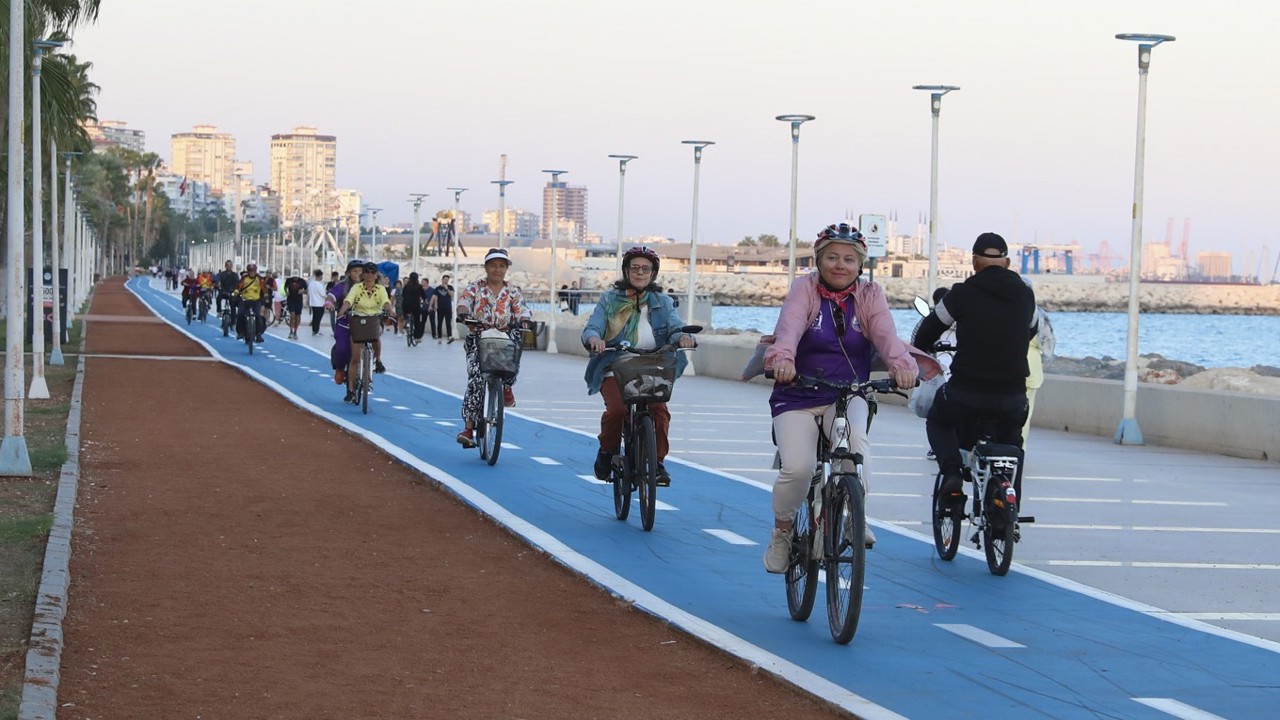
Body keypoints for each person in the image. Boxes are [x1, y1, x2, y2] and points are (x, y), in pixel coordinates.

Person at [760, 223, 925, 572]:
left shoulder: (869, 295)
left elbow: (886, 336)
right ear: (818, 261)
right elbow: (788, 331)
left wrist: (903, 367)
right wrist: (783, 361)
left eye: (849, 259)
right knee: (799, 468)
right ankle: (783, 533)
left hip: (849, 392)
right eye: (832, 257)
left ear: (860, 265)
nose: (840, 265)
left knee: (856, 451)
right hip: (798, 393)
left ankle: (854, 516)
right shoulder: (804, 290)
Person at [912, 232, 1037, 510]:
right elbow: (1031, 329)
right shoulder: (1025, 294)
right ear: (1007, 263)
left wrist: (920, 352)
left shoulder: (962, 294)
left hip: (966, 392)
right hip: (1012, 395)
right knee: (1013, 445)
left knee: (939, 420)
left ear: (974, 262)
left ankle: (953, 473)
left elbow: (930, 327)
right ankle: (1009, 506)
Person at [582, 246, 695, 486]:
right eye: (635, 267)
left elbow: (675, 327)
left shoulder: (662, 301)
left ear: (653, 274)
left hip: (652, 366)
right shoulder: (610, 300)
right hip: (616, 364)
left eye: (646, 268)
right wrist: (594, 339)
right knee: (617, 411)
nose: (640, 272)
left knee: (660, 412)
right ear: (626, 271)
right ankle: (606, 451)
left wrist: (683, 337)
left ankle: (658, 463)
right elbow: (594, 326)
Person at [454, 249, 528, 448]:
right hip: (480, 337)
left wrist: (523, 320)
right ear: (486, 267)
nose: (497, 270)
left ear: (506, 269)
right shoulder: (475, 288)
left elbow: (522, 309)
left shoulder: (512, 291)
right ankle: (469, 428)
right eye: (493, 265)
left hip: (504, 336)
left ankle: (507, 386)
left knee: (514, 354)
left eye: (501, 266)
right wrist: (463, 315)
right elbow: (463, 303)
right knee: (476, 379)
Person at [337, 261, 394, 403]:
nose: (369, 275)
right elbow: (348, 301)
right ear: (363, 274)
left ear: (376, 275)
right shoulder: (357, 287)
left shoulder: (380, 289)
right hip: (358, 320)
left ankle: (378, 360)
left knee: (377, 334)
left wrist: (391, 310)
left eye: (372, 272)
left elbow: (385, 302)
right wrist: (342, 311)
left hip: (374, 319)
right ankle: (350, 389)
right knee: (355, 358)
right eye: (367, 272)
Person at [326, 260, 365, 386]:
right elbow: (332, 295)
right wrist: (330, 302)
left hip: (364, 323)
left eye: (360, 271)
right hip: (345, 323)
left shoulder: (370, 285)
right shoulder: (342, 286)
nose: (358, 274)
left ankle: (372, 363)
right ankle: (340, 368)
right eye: (355, 271)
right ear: (348, 273)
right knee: (343, 349)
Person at [232, 263, 267, 342]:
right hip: (245, 300)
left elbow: (264, 288)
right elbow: (238, 287)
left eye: (253, 271)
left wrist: (266, 296)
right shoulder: (244, 278)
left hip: (256, 300)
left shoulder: (259, 279)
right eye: (250, 271)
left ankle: (258, 334)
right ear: (248, 271)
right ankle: (241, 332)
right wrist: (235, 293)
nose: (252, 272)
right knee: (240, 314)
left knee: (258, 315)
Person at [400, 272, 428, 344]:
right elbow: (424, 296)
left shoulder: (406, 286)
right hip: (415, 306)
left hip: (406, 306)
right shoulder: (419, 286)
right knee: (417, 321)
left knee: (406, 315)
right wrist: (425, 301)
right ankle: (417, 337)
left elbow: (403, 295)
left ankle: (406, 322)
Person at [283, 273, 308, 340]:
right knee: (292, 315)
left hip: (298, 301)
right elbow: (285, 287)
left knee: (297, 316)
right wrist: (286, 292)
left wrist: (302, 291)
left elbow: (307, 290)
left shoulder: (302, 281)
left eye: (296, 277)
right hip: (291, 300)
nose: (295, 278)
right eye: (294, 277)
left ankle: (295, 332)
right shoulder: (289, 280)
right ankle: (291, 331)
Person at [434, 274, 454, 344]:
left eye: (447, 280)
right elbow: (435, 297)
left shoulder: (450, 287)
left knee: (448, 323)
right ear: (442, 280)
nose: (446, 281)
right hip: (440, 308)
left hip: (448, 308)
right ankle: (439, 337)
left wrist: (447, 288)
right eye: (445, 279)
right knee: (439, 323)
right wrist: (435, 305)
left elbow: (452, 295)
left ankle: (449, 337)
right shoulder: (437, 288)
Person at [307, 269, 328, 336]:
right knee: (318, 318)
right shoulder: (319, 284)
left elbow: (309, 292)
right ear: (320, 276)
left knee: (314, 317)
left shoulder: (311, 283)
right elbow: (323, 294)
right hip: (320, 304)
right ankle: (316, 331)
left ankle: (314, 330)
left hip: (313, 303)